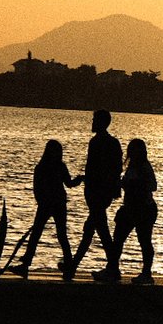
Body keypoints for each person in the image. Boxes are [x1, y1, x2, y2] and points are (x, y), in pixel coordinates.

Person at [10, 139, 81, 279]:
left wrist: (78, 180)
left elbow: (69, 183)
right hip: (47, 203)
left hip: (57, 203)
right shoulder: (43, 167)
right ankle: (26, 265)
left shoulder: (58, 166)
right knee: (37, 234)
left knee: (60, 234)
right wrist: (41, 201)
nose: (57, 154)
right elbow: (37, 187)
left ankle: (68, 265)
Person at [95, 138, 158, 284]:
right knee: (118, 239)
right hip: (130, 208)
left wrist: (134, 185)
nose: (133, 153)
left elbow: (152, 186)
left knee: (144, 241)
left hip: (143, 209)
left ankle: (146, 273)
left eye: (135, 150)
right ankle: (112, 269)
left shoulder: (144, 167)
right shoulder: (132, 166)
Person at [70, 109, 122, 273]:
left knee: (100, 230)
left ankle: (113, 267)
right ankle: (73, 265)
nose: (92, 123)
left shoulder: (98, 143)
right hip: (102, 192)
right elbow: (116, 169)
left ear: (101, 122)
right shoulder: (112, 143)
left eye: (94, 120)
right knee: (92, 228)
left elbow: (98, 169)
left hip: (98, 193)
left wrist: (89, 181)